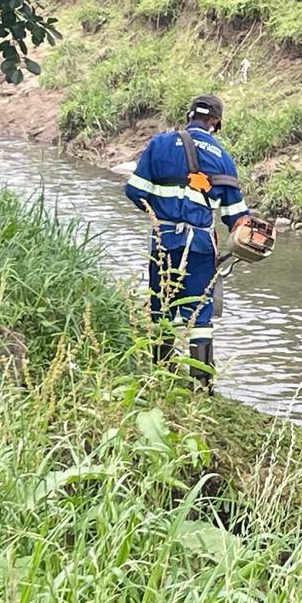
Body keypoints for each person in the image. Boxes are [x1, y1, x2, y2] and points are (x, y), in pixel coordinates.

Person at [124, 93, 251, 387]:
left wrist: (160, 214)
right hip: (201, 248)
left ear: (189, 115)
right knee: (199, 314)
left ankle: (162, 375)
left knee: (161, 306)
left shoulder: (160, 145)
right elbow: (237, 219)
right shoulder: (223, 158)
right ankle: (202, 385)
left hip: (164, 241)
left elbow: (134, 191)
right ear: (215, 122)